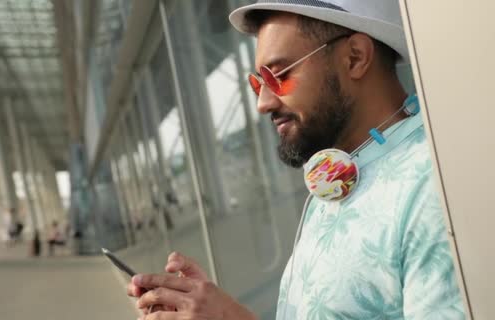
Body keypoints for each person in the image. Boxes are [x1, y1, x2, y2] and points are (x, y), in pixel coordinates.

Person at [127, 0, 466, 319]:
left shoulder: (437, 189)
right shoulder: (338, 176)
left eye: (279, 75)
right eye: (258, 81)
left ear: (355, 58)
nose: (263, 102)